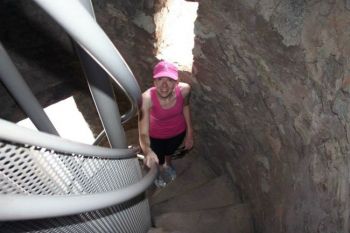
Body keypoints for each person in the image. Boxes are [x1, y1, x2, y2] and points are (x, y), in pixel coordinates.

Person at [139, 60, 194, 187]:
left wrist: (190, 133)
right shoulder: (146, 99)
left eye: (169, 80)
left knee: (169, 152)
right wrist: (147, 151)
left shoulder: (185, 90)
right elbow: (142, 132)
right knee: (157, 158)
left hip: (178, 133)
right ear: (154, 82)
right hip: (156, 137)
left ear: (176, 82)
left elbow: (186, 107)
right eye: (160, 79)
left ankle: (167, 165)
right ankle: (157, 173)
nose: (164, 85)